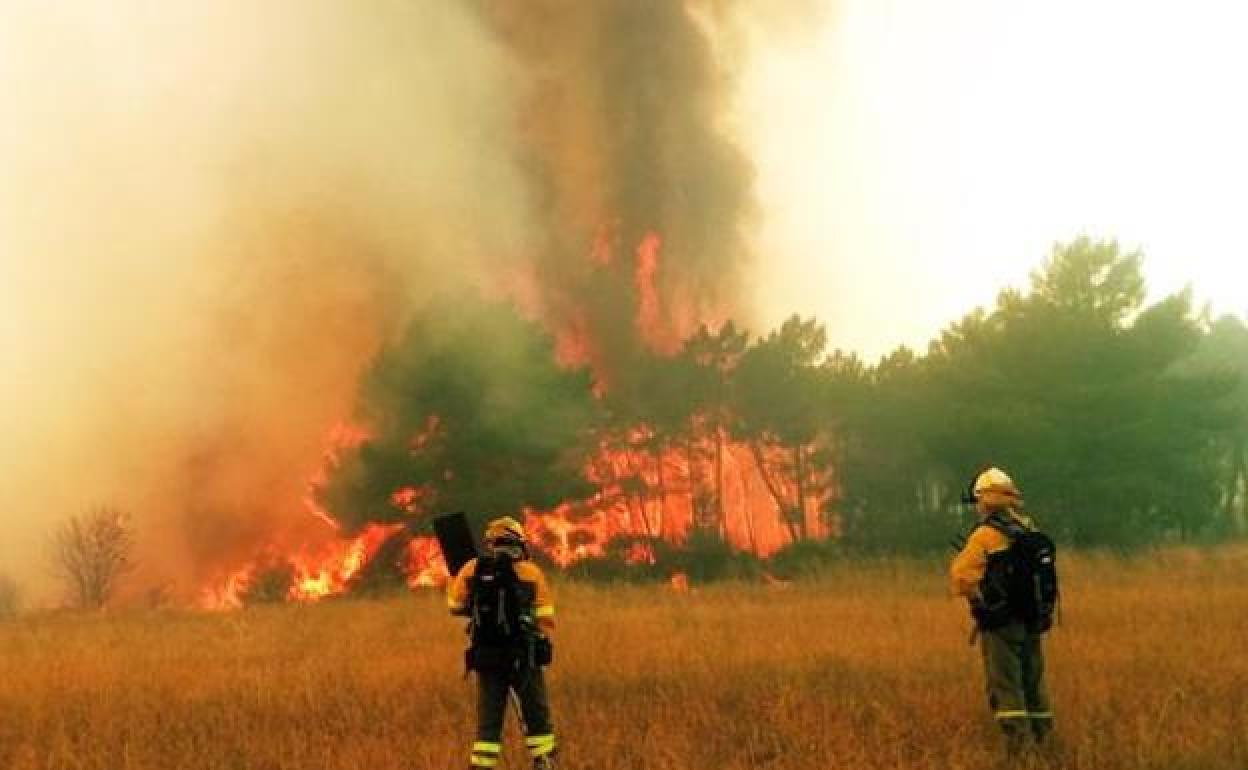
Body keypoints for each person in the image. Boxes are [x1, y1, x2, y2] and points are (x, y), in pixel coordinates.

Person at [950, 467, 1056, 753]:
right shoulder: (1028, 528)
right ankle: (1044, 742)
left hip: (1001, 625)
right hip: (1032, 620)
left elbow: (961, 577)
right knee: (1033, 682)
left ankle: (1019, 751)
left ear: (983, 501)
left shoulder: (985, 535)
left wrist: (982, 603)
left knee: (1006, 686)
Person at [448, 516, 558, 769]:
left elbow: (454, 606)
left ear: (492, 543)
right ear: (519, 542)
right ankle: (543, 761)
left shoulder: (472, 569)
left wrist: (477, 607)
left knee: (489, 718)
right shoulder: (531, 572)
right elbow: (545, 617)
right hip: (523, 656)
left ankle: (482, 765)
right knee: (535, 711)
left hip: (487, 656)